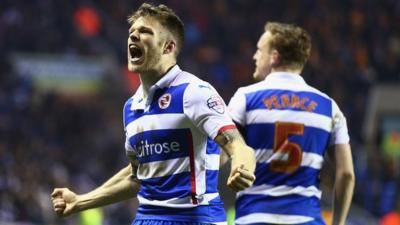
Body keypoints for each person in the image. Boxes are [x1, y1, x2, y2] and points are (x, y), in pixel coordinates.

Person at [51, 3, 256, 225]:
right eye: (132, 33)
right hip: (147, 218)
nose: (134, 37)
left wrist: (242, 166)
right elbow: (137, 175)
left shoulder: (193, 92)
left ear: (168, 47)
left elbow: (237, 146)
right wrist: (80, 201)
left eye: (145, 32)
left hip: (193, 218)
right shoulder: (131, 107)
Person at [228, 22, 355, 225]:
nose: (254, 56)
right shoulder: (328, 107)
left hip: (254, 218)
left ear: (274, 57)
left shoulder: (245, 98)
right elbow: (346, 173)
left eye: (259, 50)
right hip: (306, 219)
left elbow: (217, 157)